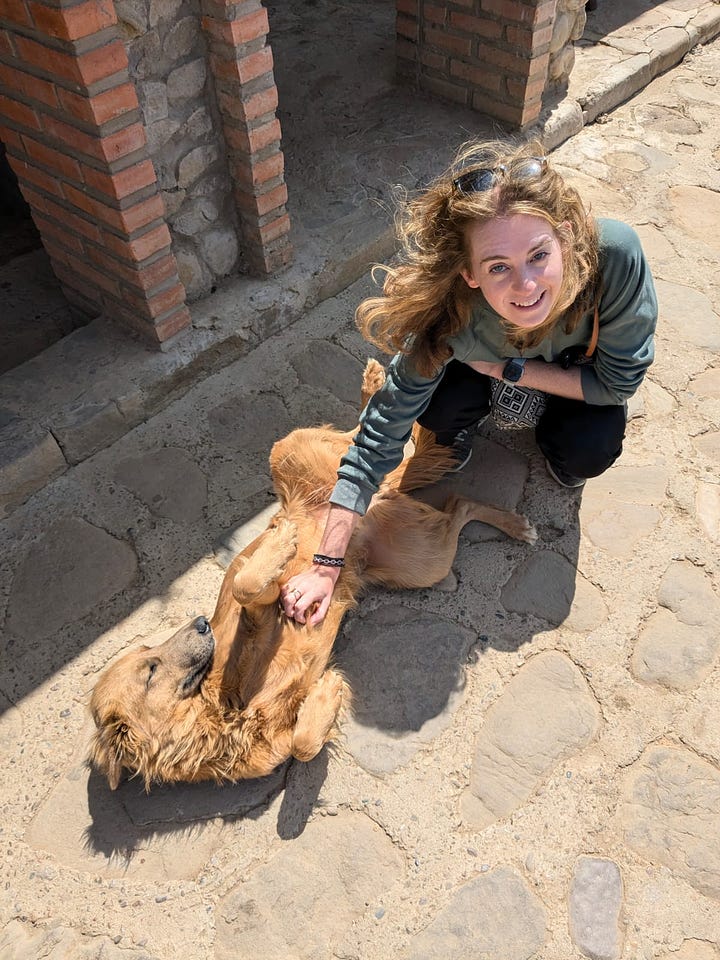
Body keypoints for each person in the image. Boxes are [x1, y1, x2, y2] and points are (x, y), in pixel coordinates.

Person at [280, 139, 657, 626]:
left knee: (590, 448)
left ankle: (552, 437)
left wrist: (506, 369)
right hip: (484, 365)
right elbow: (378, 438)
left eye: (539, 255)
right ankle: (465, 425)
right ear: (470, 275)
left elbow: (618, 383)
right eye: (498, 266)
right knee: (431, 411)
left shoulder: (616, 258)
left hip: (560, 374)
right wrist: (326, 566)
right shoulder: (447, 319)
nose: (525, 285)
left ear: (564, 237)